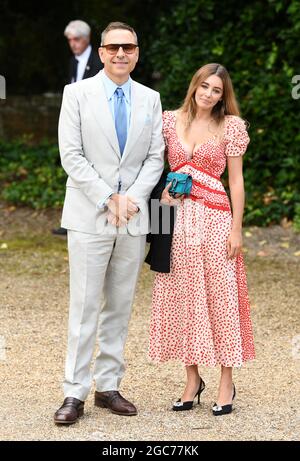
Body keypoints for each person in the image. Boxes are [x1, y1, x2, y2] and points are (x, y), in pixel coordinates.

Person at [54, 21, 164, 424]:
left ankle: (109, 386)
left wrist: (131, 201)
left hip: (132, 218)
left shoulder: (150, 99)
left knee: (120, 305)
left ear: (137, 52)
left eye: (129, 47)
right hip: (89, 213)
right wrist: (107, 197)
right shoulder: (76, 94)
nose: (121, 54)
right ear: (101, 52)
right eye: (113, 47)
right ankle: (73, 392)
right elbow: (71, 154)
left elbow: (155, 157)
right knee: (84, 306)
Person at [147, 63, 255, 416]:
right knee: (181, 295)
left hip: (215, 218)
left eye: (217, 91)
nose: (209, 94)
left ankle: (226, 381)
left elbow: (236, 182)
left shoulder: (231, 126)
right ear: (194, 86)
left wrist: (237, 228)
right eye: (204, 86)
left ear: (224, 96)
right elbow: (151, 165)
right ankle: (192, 379)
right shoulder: (167, 120)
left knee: (220, 296)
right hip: (172, 218)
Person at [52, 20, 103, 236]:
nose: (73, 44)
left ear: (87, 38)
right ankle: (73, 220)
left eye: (77, 39)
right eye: (70, 40)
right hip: (76, 123)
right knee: (73, 167)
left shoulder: (99, 61)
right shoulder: (73, 61)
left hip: (96, 124)